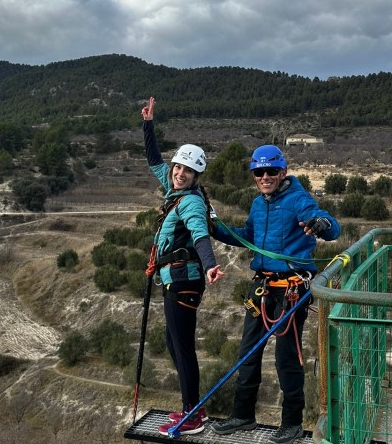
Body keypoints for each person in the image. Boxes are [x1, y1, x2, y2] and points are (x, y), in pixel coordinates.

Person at [210, 144, 341, 444]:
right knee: (248, 353)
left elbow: (331, 227)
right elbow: (248, 237)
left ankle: (292, 423)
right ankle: (243, 415)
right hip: (263, 287)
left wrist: (322, 224)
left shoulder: (298, 199)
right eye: (259, 172)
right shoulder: (259, 204)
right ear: (254, 175)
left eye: (271, 171)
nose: (265, 176)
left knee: (286, 359)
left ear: (283, 171)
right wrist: (214, 228)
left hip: (291, 289)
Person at [140, 97, 224, 436]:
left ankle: (192, 414)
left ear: (195, 176)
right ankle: (193, 407)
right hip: (173, 280)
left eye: (186, 170)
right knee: (174, 344)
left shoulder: (189, 201)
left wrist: (210, 265)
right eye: (178, 167)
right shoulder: (173, 188)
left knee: (183, 346)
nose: (178, 172)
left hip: (184, 280)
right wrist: (148, 124)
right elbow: (153, 161)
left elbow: (201, 234)